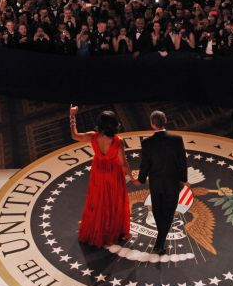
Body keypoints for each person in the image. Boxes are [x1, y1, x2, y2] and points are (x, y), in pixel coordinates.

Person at [69, 106, 135, 248]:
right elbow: (123, 164)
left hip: (98, 172)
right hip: (113, 174)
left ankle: (99, 231)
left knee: (98, 202)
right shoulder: (118, 141)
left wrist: (72, 116)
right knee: (114, 202)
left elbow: (74, 135)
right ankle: (116, 232)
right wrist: (132, 177)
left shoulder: (93, 136)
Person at [136, 111, 188, 255]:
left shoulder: (147, 142)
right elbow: (182, 161)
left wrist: (141, 180)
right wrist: (183, 179)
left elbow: (144, 164)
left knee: (158, 211)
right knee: (168, 212)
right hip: (173, 183)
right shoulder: (177, 139)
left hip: (156, 184)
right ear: (165, 121)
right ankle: (160, 242)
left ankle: (159, 242)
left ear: (152, 124)